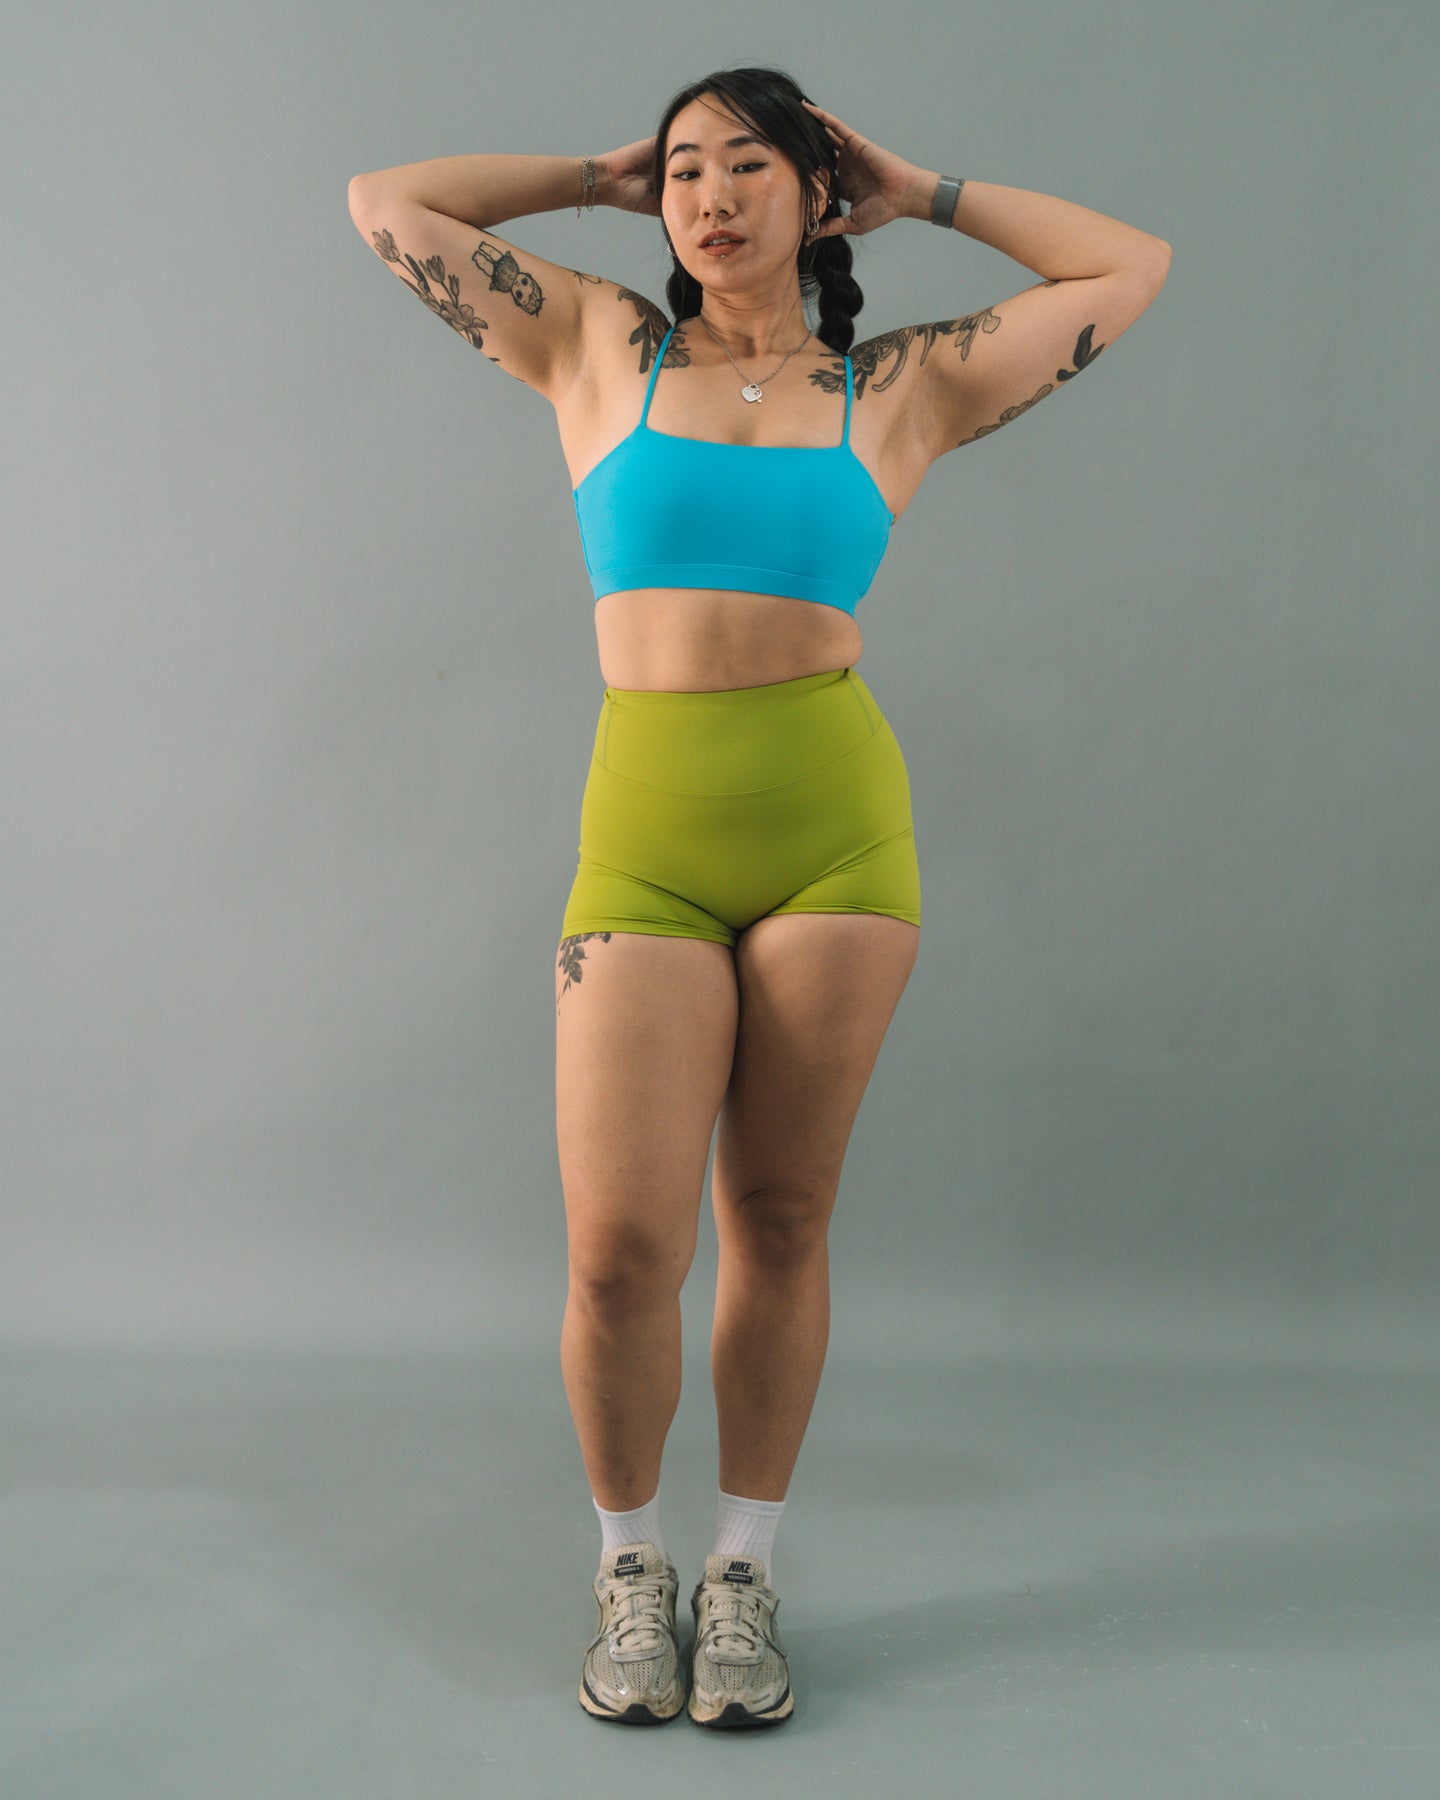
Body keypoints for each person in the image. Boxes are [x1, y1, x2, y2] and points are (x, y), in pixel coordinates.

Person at [347, 62, 1170, 1731]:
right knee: (618, 1253)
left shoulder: (897, 388)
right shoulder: (597, 345)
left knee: (782, 1220)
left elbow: (1127, 266)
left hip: (836, 846)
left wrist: (925, 190)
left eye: (747, 166)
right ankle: (628, 1565)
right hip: (643, 847)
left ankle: (741, 1573)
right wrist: (595, 175)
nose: (710, 198)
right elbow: (387, 206)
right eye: (684, 172)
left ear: (816, 190)